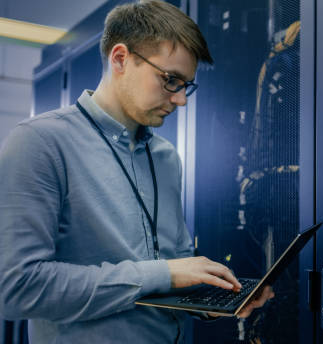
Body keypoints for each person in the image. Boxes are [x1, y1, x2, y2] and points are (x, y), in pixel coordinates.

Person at [0, 1, 273, 342]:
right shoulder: (40, 143)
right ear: (120, 59)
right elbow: (15, 289)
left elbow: (175, 265)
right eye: (170, 79)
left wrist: (212, 298)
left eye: (186, 85)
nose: (181, 100)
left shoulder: (165, 156)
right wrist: (162, 274)